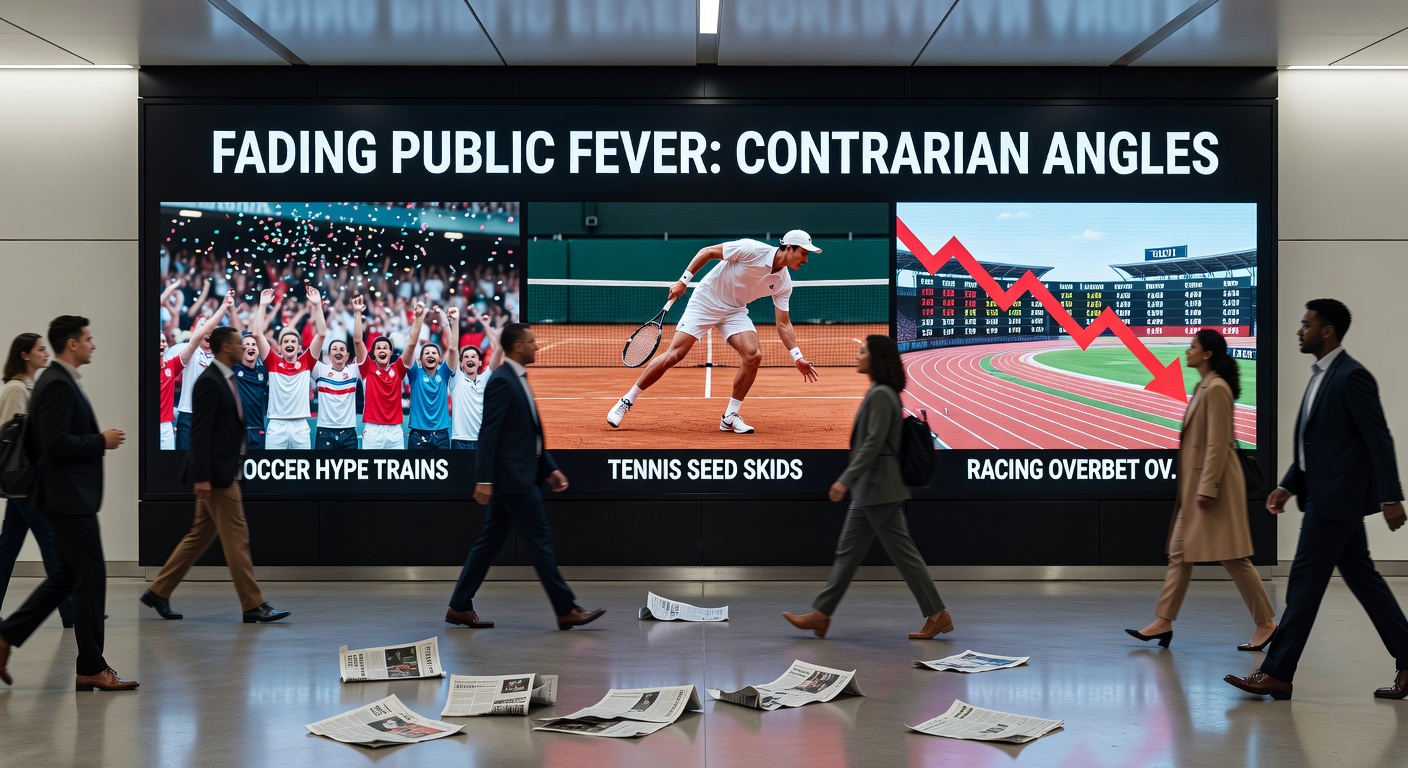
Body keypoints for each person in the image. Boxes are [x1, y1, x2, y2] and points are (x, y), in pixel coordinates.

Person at [1226, 299, 1408, 700]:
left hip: (1335, 502)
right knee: (1365, 581)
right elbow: (1316, 446)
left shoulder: (1352, 376)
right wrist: (1288, 485)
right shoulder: (1321, 376)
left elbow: (1377, 438)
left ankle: (1277, 672)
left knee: (1304, 587)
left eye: (1305, 324)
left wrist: (1391, 497)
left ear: (1327, 330)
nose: (1299, 330)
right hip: (1326, 498)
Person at [782, 335, 951, 640]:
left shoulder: (883, 395)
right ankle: (821, 615)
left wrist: (844, 480)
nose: (858, 356)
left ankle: (937, 614)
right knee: (848, 554)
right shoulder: (880, 392)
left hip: (880, 488)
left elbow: (873, 444)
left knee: (904, 556)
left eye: (863, 352)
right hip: (872, 489)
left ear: (876, 358)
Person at [0, 315, 136, 691]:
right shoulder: (57, 383)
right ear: (72, 344)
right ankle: (91, 666)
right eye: (88, 339)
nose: (93, 345)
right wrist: (100, 440)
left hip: (64, 497)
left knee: (68, 576)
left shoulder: (56, 381)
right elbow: (55, 443)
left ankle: (7, 636)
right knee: (90, 578)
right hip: (67, 499)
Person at [445, 323, 604, 631]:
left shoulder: (516, 377)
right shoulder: (503, 380)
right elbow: (489, 432)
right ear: (517, 346)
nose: (537, 346)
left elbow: (526, 433)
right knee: (540, 542)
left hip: (518, 476)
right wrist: (484, 478)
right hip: (513, 480)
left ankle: (459, 606)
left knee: (488, 544)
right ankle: (566, 609)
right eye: (532, 342)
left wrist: (550, 468)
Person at [1126, 329, 1275, 650]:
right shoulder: (1203, 386)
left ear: (1207, 354)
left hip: (1213, 490)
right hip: (1199, 488)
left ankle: (1266, 624)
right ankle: (1163, 622)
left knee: (1234, 558)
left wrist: (1207, 488)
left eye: (1193, 346)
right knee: (1179, 554)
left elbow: (1218, 444)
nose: (1187, 350)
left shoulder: (1216, 388)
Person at [140, 326, 290, 624]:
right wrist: (203, 477)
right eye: (237, 343)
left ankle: (158, 591)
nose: (243, 347)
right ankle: (252, 604)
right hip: (217, 476)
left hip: (221, 471)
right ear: (225, 349)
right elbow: (200, 432)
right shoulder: (210, 382)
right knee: (238, 539)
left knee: (198, 536)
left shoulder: (225, 378)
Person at [606, 230, 822, 434]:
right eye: (803, 253)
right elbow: (707, 252)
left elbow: (783, 323)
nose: (806, 260)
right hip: (706, 301)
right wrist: (683, 282)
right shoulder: (752, 249)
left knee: (753, 355)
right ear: (790, 248)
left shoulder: (784, 283)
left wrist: (798, 357)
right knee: (675, 354)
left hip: (734, 310)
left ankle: (730, 417)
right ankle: (627, 400)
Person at [0, 333, 74, 628]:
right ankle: (70, 610)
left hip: (25, 482)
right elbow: (10, 438)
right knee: (51, 543)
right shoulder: (16, 389)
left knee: (8, 548)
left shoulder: (31, 387)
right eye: (40, 349)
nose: (46, 353)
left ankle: (70, 609)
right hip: (24, 481)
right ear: (25, 355)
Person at [254, 286, 326, 450]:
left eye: (293, 341)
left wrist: (318, 305)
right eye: (286, 341)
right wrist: (263, 305)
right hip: (276, 425)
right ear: (279, 348)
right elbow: (257, 333)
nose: (290, 344)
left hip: (300, 426)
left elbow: (321, 334)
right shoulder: (272, 361)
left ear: (300, 348)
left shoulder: (307, 361)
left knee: (302, 474)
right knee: (273, 474)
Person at [160, 295, 231, 451]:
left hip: (213, 415)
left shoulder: (222, 357)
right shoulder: (186, 350)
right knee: (182, 462)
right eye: (203, 328)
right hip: (188, 414)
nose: (207, 332)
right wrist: (223, 307)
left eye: (211, 330)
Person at [353, 295, 417, 450]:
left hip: (395, 431)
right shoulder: (367, 368)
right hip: (373, 430)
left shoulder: (399, 369)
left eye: (385, 347)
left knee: (397, 474)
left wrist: (419, 318)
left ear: (390, 352)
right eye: (378, 347)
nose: (382, 349)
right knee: (372, 474)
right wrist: (357, 313)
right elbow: (357, 341)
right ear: (373, 353)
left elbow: (412, 343)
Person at [449, 316, 504, 450]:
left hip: (482, 440)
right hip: (460, 440)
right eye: (466, 357)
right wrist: (454, 322)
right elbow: (452, 348)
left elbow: (498, 349)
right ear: (461, 363)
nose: (470, 359)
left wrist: (486, 325)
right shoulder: (456, 379)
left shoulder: (485, 378)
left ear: (479, 362)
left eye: (474, 356)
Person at [406, 305, 456, 450]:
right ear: (419, 360)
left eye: (434, 353)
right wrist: (421, 317)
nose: (430, 355)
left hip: (441, 436)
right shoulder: (415, 373)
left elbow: (452, 347)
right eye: (426, 352)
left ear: (440, 359)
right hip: (417, 434)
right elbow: (411, 343)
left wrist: (442, 316)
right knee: (415, 473)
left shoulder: (444, 373)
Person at [312, 337, 360, 450]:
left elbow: (359, 344)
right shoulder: (320, 369)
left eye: (342, 349)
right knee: (322, 468)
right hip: (325, 431)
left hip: (349, 431)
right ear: (329, 355)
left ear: (347, 355)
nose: (338, 351)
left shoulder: (354, 370)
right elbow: (312, 353)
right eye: (334, 349)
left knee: (352, 468)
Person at [232, 332, 269, 451]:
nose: (251, 347)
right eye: (246, 344)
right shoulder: (232, 369)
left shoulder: (264, 371)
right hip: (238, 430)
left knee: (256, 467)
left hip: (258, 429)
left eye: (254, 344)